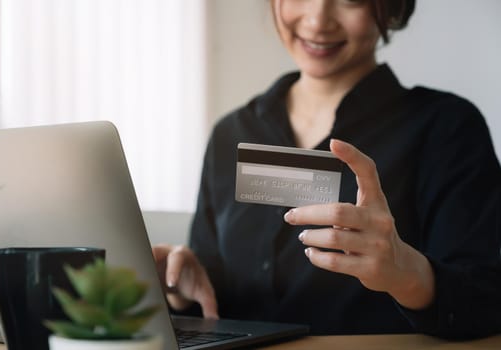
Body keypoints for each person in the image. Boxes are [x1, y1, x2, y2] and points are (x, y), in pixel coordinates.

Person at [152, 0, 501, 339]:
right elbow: (213, 309)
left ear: (392, 6)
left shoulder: (447, 130)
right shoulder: (231, 134)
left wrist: (407, 275)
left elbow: (484, 302)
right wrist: (179, 290)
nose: (318, 20)